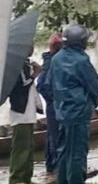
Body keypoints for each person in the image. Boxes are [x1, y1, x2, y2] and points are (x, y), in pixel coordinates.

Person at [42, 24, 98, 184]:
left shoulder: (56, 58)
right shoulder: (81, 60)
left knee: (62, 152)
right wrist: (91, 105)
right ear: (81, 42)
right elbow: (94, 85)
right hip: (78, 114)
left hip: (61, 113)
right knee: (77, 154)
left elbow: (47, 84)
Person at [9, 51, 42, 184]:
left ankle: (27, 177)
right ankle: (17, 179)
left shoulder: (25, 63)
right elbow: (21, 85)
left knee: (29, 146)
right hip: (21, 112)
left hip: (28, 111)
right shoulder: (16, 65)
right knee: (21, 147)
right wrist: (35, 73)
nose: (32, 47)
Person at [37, 32, 63, 173]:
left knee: (52, 135)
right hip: (55, 105)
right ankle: (55, 167)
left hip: (56, 105)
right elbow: (41, 85)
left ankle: (51, 165)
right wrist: (55, 98)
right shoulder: (51, 62)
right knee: (55, 136)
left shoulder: (56, 60)